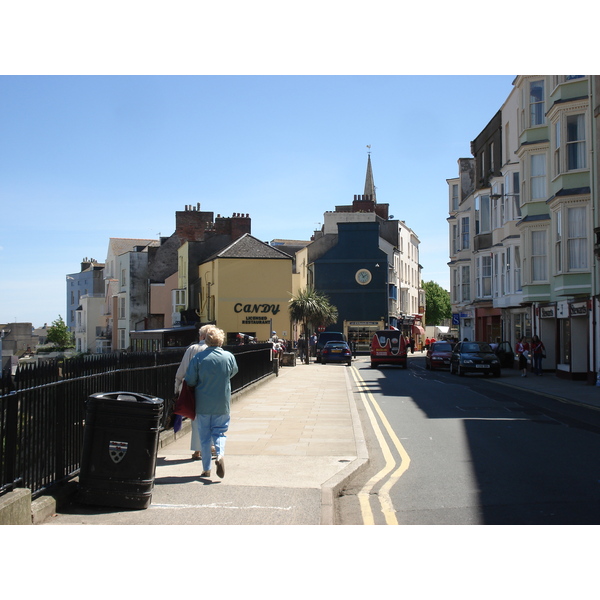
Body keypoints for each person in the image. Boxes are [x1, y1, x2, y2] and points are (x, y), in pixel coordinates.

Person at [185, 326, 238, 479]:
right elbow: (233, 371)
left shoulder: (199, 358)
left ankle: (206, 468)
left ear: (206, 341)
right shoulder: (228, 356)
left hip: (203, 402)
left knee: (204, 436)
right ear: (221, 341)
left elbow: (190, 379)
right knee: (220, 432)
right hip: (222, 402)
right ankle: (220, 454)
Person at [174, 324, 210, 460]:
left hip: (192, 388)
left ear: (201, 336)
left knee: (196, 420)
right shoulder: (215, 350)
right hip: (210, 389)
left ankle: (197, 450)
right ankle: (209, 446)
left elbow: (182, 370)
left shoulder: (192, 349)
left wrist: (177, 386)